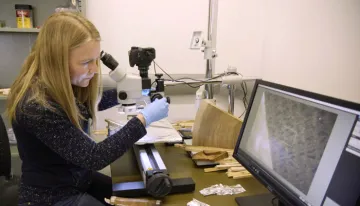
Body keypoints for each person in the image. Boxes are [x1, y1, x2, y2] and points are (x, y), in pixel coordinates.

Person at [6, 12, 169, 206]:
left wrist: (130, 92)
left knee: (136, 192)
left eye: (96, 60)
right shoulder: (36, 105)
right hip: (51, 197)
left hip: (76, 180)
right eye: (85, 62)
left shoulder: (61, 84)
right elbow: (94, 157)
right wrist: (144, 118)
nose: (94, 69)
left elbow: (84, 105)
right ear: (57, 61)